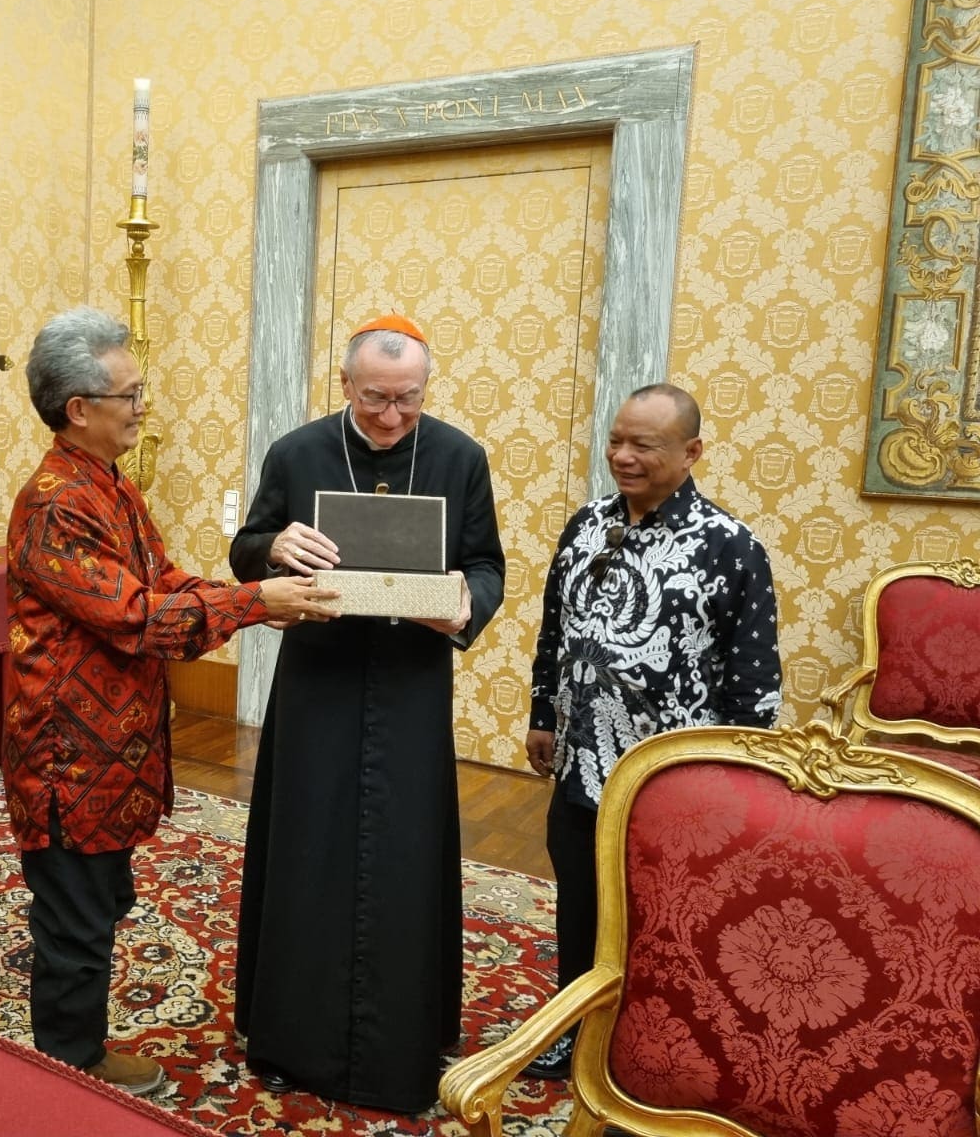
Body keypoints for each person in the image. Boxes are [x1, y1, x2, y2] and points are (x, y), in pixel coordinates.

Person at [5, 305, 340, 1097]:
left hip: (106, 749)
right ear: (79, 408)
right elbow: (135, 617)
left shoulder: (109, 486)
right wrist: (259, 602)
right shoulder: (58, 501)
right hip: (68, 758)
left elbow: (163, 579)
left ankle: (71, 1046)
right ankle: (66, 1065)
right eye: (131, 393)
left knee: (98, 900)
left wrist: (245, 591)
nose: (143, 406)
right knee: (75, 921)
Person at [230, 313, 506, 1113]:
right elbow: (247, 546)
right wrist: (275, 547)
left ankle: (405, 1040)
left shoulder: (460, 456)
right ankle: (288, 1037)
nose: (392, 417)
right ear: (345, 385)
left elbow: (487, 564)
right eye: (377, 399)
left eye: (409, 401)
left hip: (413, 687)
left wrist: (466, 603)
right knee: (305, 847)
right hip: (319, 682)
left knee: (404, 856)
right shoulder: (297, 450)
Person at [523, 383, 781, 1079]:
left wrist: (733, 784)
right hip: (581, 769)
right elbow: (556, 630)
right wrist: (544, 715)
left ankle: (648, 1044)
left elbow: (755, 686)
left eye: (644, 445)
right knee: (580, 904)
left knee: (661, 922)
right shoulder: (585, 526)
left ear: (692, 452)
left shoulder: (731, 548)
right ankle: (571, 1027)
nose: (622, 456)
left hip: (674, 787)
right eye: (616, 441)